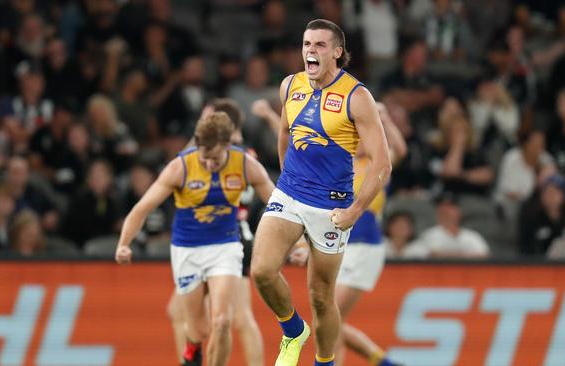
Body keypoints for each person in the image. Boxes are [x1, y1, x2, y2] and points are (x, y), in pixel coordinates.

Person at [251, 19, 392, 366]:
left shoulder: (357, 96)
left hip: (330, 208)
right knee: (262, 271)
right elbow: (285, 132)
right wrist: (287, 180)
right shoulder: (290, 85)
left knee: (321, 298)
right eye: (306, 44)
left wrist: (354, 212)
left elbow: (382, 163)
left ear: (337, 52)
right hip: (290, 194)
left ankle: (324, 361)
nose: (310, 51)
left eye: (319, 45)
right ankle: (293, 330)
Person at [115, 111, 275, 366]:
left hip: (225, 246)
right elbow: (142, 208)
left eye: (214, 158)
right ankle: (192, 348)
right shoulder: (181, 167)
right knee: (198, 329)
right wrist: (124, 244)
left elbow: (278, 205)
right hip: (187, 250)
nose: (208, 163)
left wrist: (298, 242)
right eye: (204, 156)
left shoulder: (244, 164)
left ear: (227, 146)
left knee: (222, 321)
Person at [167, 98, 266, 366]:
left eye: (209, 120)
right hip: (229, 236)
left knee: (239, 318)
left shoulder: (226, 155)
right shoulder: (244, 153)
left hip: (227, 237)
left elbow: (183, 163)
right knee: (220, 317)